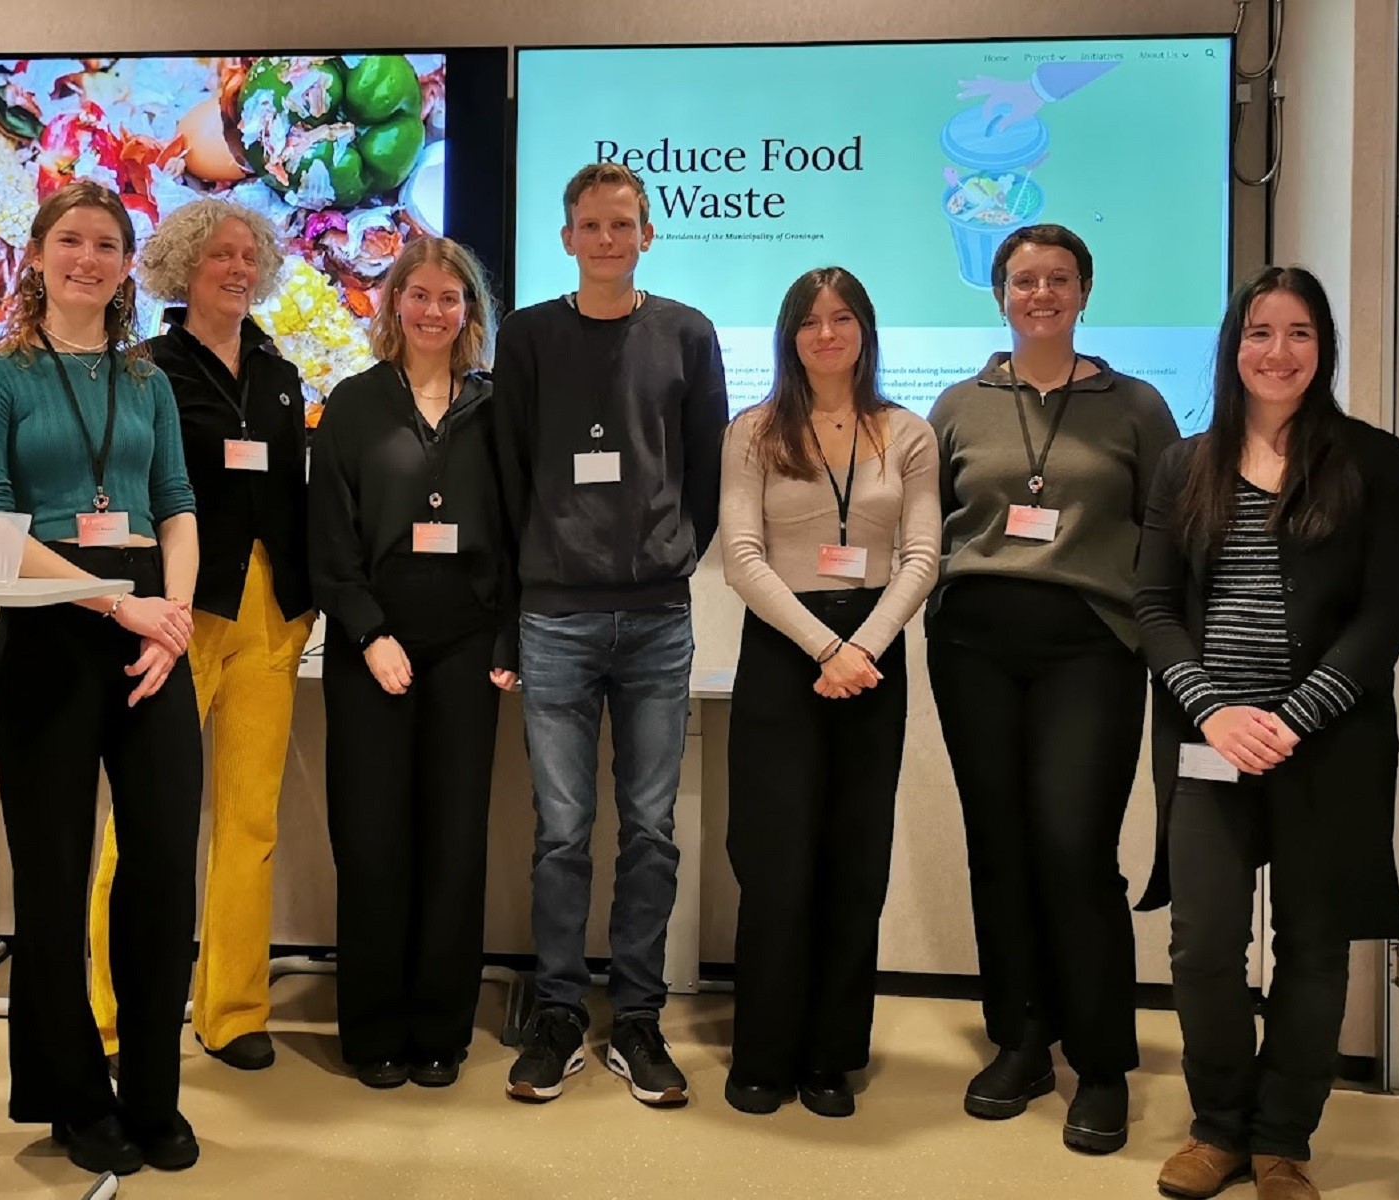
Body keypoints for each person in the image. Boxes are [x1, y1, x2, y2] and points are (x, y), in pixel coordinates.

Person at [1134, 268, 1399, 1200]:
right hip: (1210, 740)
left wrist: (1292, 717)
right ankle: (1217, 1127)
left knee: (1314, 944)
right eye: (1261, 332)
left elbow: (1385, 616)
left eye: (1300, 333)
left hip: (1325, 746)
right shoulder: (1186, 463)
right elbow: (1153, 606)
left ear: (1322, 348)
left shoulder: (1373, 460)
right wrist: (1214, 708)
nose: (1279, 352)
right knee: (1204, 943)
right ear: (1234, 346)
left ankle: (1281, 1139)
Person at [0, 180, 201, 1176]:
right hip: (52, 624)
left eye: (106, 244)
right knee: (54, 880)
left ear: (127, 263)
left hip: (152, 630)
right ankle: (73, 1097)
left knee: (160, 874)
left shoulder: (146, 382)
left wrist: (171, 619)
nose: (88, 259)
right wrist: (117, 602)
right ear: (39, 255)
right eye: (70, 241)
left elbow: (177, 503)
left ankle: (151, 1095)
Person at [926, 223, 1179, 1153]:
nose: (1041, 293)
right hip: (974, 646)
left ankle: (1103, 1062)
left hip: (1093, 648)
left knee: (1074, 848)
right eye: (1023, 279)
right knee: (998, 846)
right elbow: (932, 530)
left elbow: (1168, 533)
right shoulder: (957, 404)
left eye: (1058, 278)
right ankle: (1023, 1039)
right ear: (999, 294)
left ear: (1084, 291)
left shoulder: (1136, 405)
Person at [493, 161, 729, 1106]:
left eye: (623, 224)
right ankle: (557, 1013)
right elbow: (510, 470)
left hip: (658, 619)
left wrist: (670, 550)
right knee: (559, 831)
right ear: (566, 237)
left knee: (652, 829)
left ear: (646, 234)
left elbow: (708, 474)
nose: (606, 239)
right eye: (590, 225)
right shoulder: (529, 336)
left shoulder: (687, 335)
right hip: (554, 615)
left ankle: (636, 1018)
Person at [86, 198, 314, 1074]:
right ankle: (109, 1015)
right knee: (144, 824)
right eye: (220, 254)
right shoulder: (144, 369)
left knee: (250, 821)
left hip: (270, 611)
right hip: (174, 614)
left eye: (249, 255)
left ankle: (232, 1012)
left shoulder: (282, 372)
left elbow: (291, 494)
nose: (237, 269)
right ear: (184, 267)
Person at [719, 268, 940, 1118]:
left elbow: (921, 556)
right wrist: (824, 648)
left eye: (842, 318)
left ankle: (829, 1057)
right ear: (789, 335)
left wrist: (861, 649)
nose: (826, 334)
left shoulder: (907, 433)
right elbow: (743, 556)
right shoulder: (754, 431)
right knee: (774, 865)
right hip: (783, 654)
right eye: (809, 321)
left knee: (854, 865)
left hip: (875, 658)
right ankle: (763, 1054)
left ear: (865, 330)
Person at [309, 237, 512, 1089]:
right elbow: (327, 540)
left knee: (455, 843)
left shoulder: (499, 407)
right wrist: (367, 630)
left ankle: (441, 1030)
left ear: (471, 312)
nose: (434, 311)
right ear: (392, 304)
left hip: (469, 650)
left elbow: (519, 531)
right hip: (372, 649)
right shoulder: (353, 405)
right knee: (373, 842)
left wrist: (506, 636)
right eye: (418, 295)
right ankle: (373, 1031)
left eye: (450, 298)